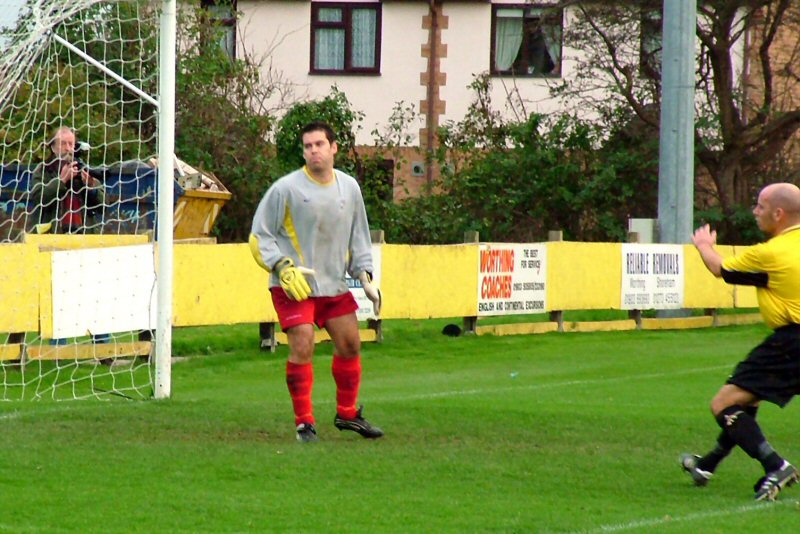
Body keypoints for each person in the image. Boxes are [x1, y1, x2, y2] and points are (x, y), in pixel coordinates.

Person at [249, 121, 383, 443]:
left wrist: (364, 275)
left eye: (319, 144)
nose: (314, 151)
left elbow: (358, 237)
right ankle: (304, 423)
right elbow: (258, 237)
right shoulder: (286, 189)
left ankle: (347, 414)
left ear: (334, 147)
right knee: (303, 342)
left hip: (333, 284)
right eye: (308, 146)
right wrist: (281, 267)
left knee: (351, 344)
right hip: (295, 286)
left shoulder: (349, 187)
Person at [682, 182, 800, 501]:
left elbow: (720, 268)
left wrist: (704, 244)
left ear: (778, 213)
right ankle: (708, 464)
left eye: (760, 206)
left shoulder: (772, 253)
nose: (755, 212)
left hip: (792, 341)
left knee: (724, 403)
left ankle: (776, 466)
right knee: (749, 399)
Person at [28, 126, 105, 234]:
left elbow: (104, 206)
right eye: (63, 143)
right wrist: (61, 181)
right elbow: (38, 199)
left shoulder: (83, 168)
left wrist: (91, 186)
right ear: (53, 147)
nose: (68, 148)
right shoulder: (43, 170)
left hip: (83, 236)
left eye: (71, 144)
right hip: (52, 234)